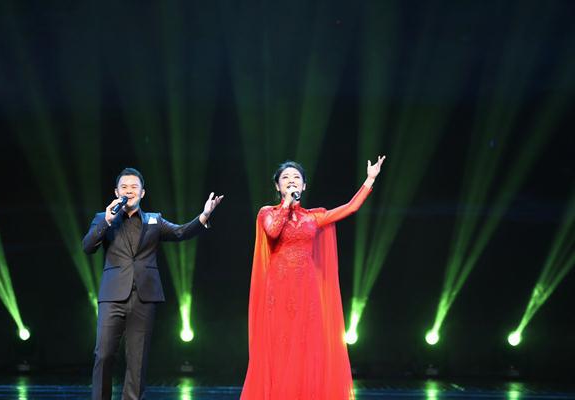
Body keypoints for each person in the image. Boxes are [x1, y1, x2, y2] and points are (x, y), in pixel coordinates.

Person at [240, 156, 385, 400]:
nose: (291, 181)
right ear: (277, 186)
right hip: (278, 291)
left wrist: (369, 180)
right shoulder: (267, 213)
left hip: (306, 290)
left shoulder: (314, 217)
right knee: (279, 346)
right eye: (285, 178)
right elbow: (273, 231)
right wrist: (286, 204)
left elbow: (350, 208)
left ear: (304, 185)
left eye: (296, 177)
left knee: (306, 347)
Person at [83, 167, 223, 400]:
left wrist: (204, 215)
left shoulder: (153, 220)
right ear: (116, 192)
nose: (129, 191)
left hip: (144, 297)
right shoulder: (103, 218)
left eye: (134, 187)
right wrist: (106, 222)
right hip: (112, 296)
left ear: (142, 192)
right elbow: (88, 247)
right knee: (104, 354)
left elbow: (180, 232)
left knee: (137, 360)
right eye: (124, 187)